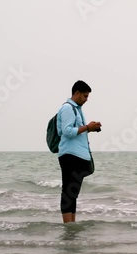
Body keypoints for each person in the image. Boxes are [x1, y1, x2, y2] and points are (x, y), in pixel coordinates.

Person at [57, 80, 102, 223]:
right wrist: (87, 127)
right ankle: (68, 226)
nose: (86, 99)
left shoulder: (77, 109)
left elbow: (77, 131)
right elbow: (67, 131)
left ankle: (72, 225)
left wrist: (91, 128)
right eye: (85, 96)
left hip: (77, 155)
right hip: (70, 155)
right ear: (76, 93)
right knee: (68, 192)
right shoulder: (67, 108)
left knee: (73, 193)